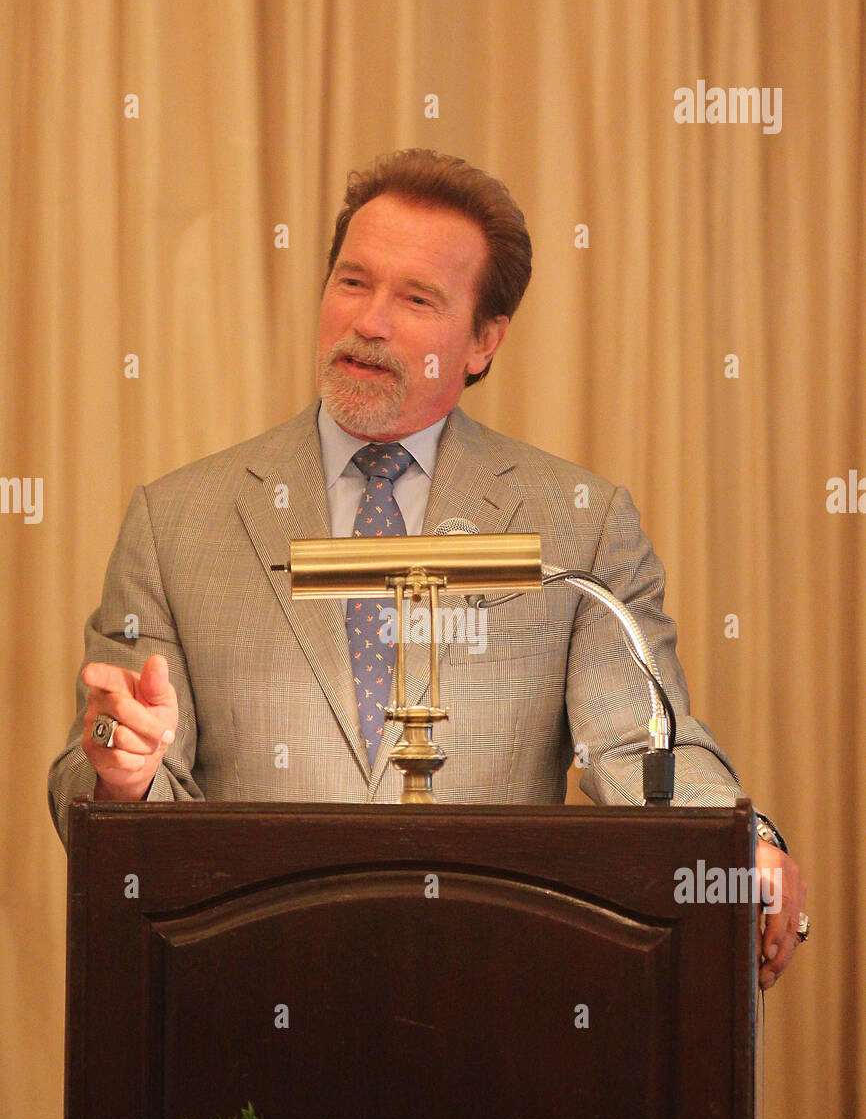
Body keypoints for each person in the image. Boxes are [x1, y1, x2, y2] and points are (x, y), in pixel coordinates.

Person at [47, 148, 808, 987]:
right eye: (352, 282)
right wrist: (124, 772)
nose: (369, 322)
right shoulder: (177, 519)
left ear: (483, 340)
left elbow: (639, 746)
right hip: (251, 995)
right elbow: (92, 783)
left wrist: (749, 847)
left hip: (490, 994)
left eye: (416, 299)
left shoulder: (579, 526)